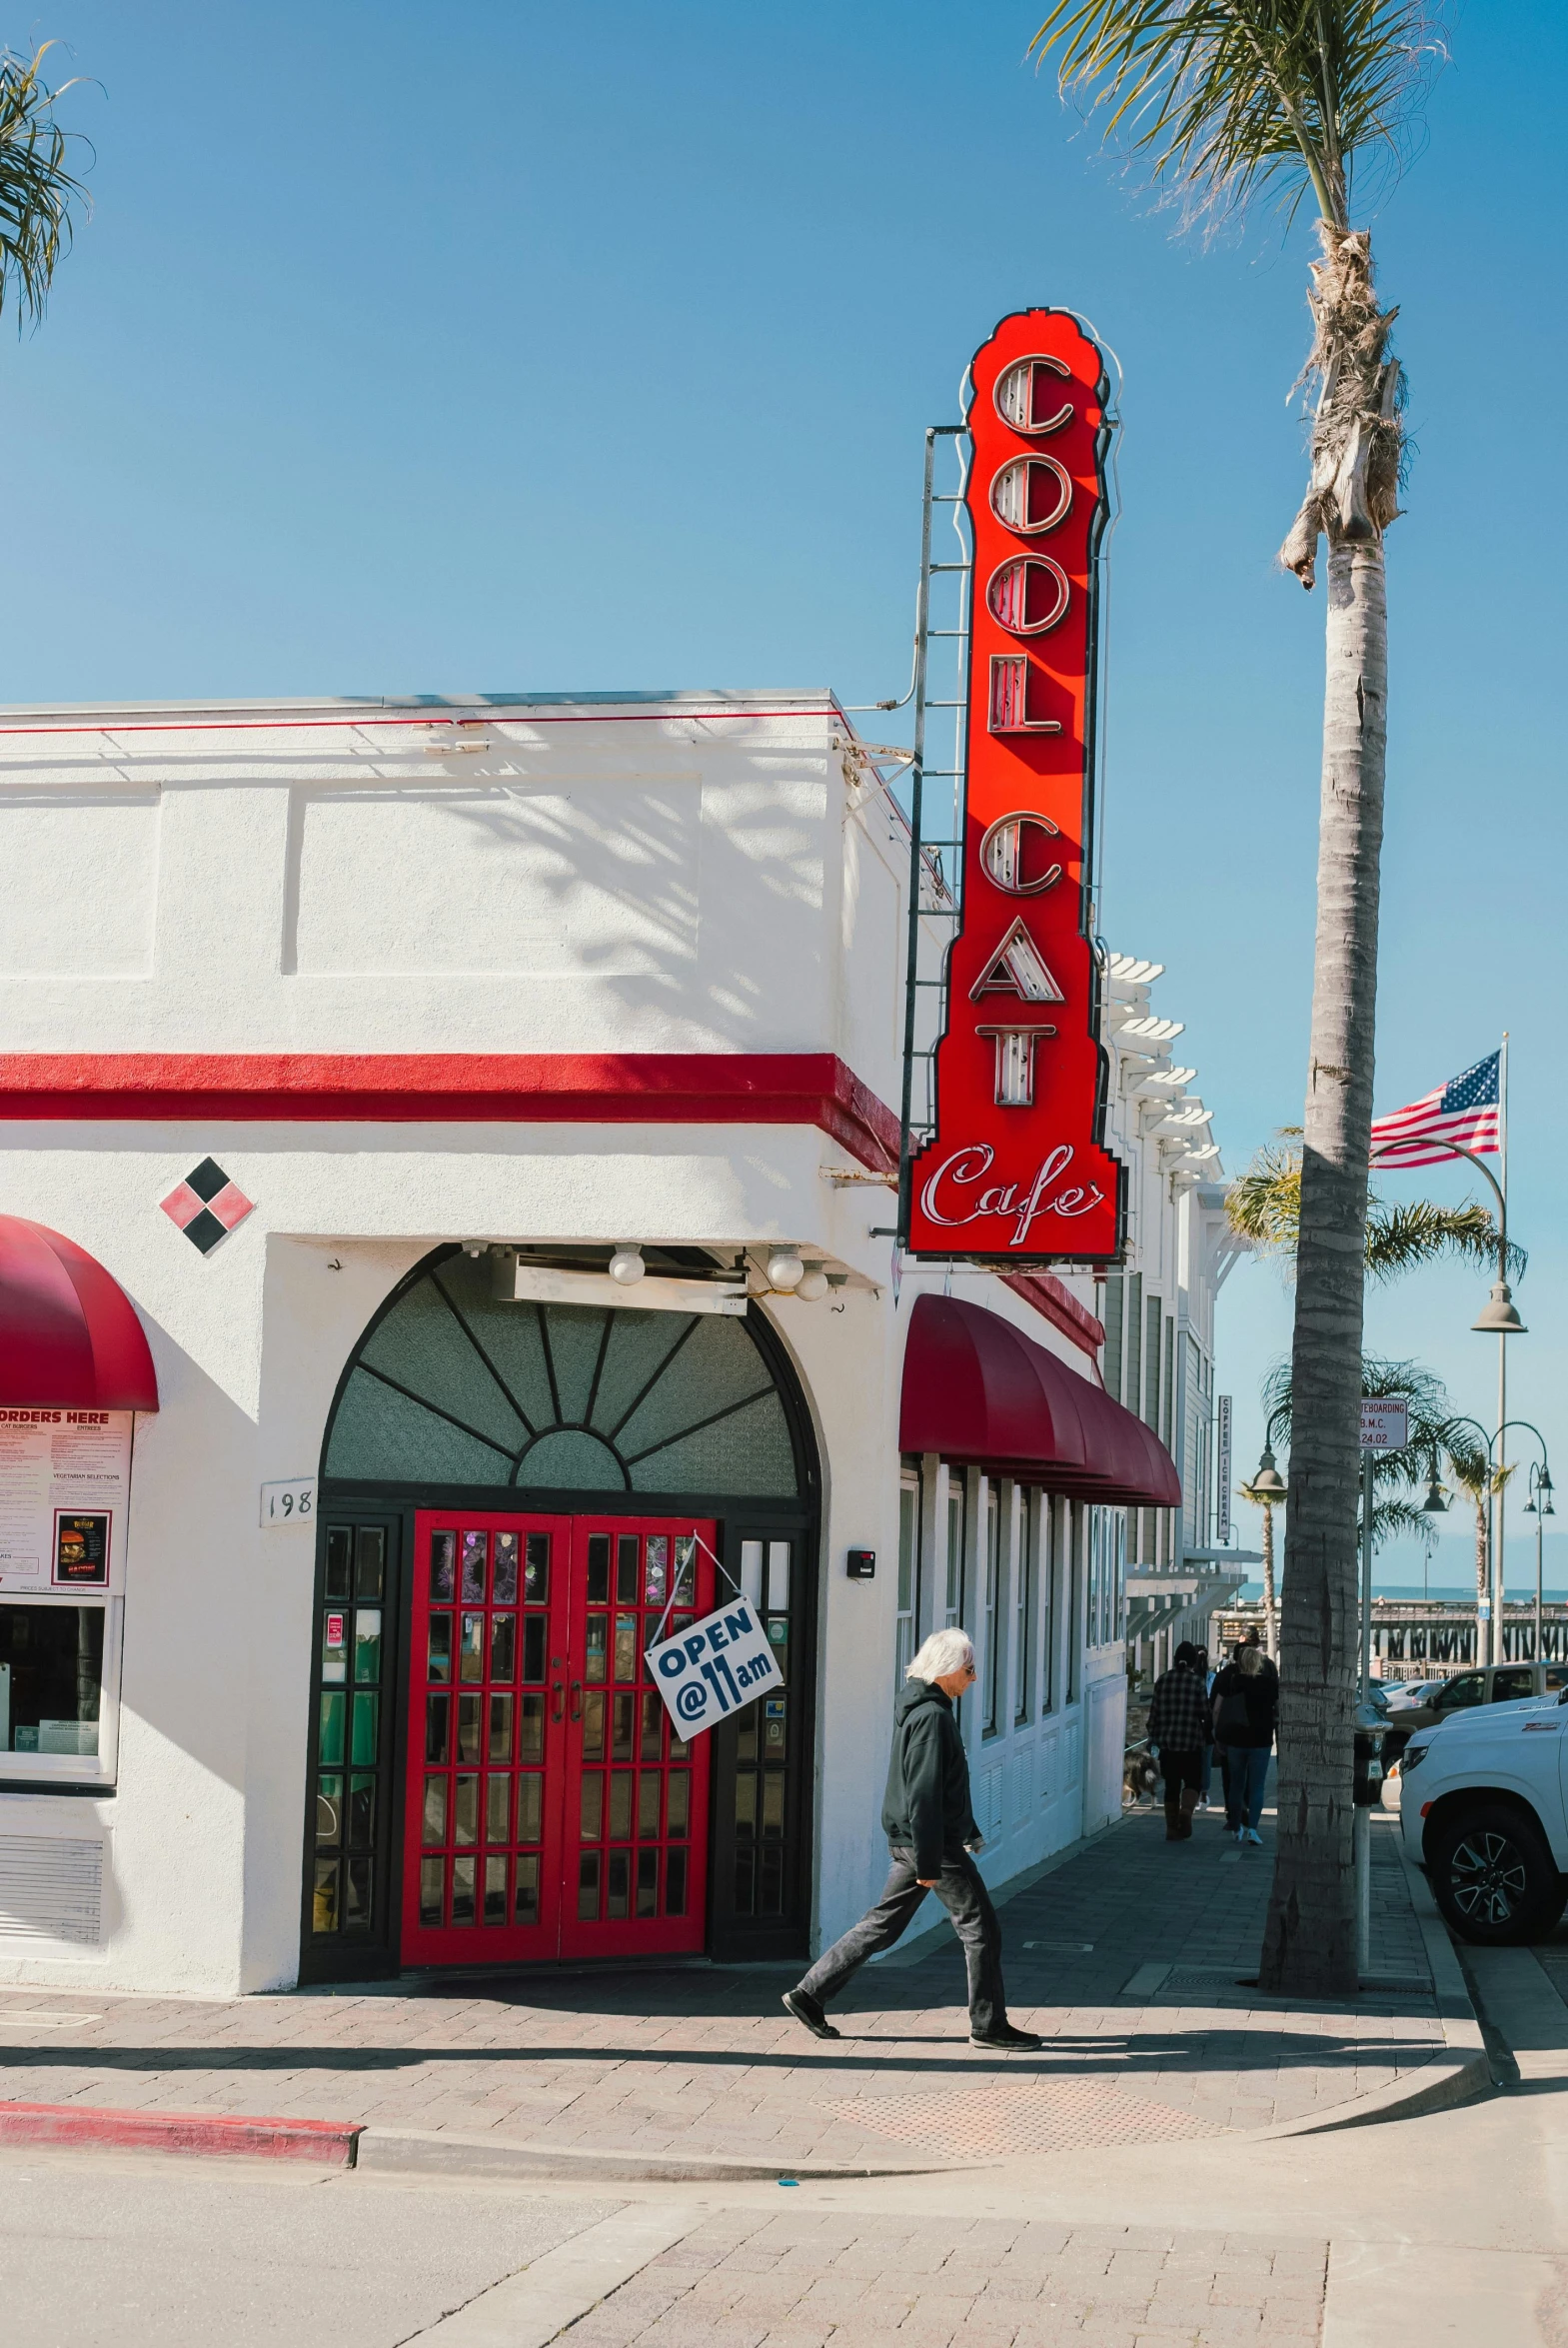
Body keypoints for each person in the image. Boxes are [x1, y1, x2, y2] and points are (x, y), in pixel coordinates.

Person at [781, 1627, 1041, 2050]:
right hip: (930, 1845)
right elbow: (922, 1792)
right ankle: (988, 2026)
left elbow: (937, 1787)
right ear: (948, 1669)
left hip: (920, 1840)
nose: (973, 1679)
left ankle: (809, 1995)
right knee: (982, 1928)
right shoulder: (932, 1717)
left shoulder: (923, 1710)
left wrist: (966, 1827)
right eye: (969, 1670)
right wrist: (928, 1861)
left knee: (882, 1926)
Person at [1211, 1641, 1279, 1844]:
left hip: (1235, 1740)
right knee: (1257, 1786)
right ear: (1258, 1662)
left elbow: (1216, 1709)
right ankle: (1253, 1830)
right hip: (1261, 1740)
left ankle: (1236, 1827)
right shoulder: (1269, 1683)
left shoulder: (1231, 1681)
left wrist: (1217, 1734)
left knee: (1236, 1785)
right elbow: (1279, 1710)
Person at [1145, 1640, 1210, 1840]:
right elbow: (1205, 1714)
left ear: (1174, 1660)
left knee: (1171, 1785)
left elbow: (1154, 1713)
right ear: (1194, 1662)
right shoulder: (1198, 1682)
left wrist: (1152, 1736)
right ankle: (1186, 1812)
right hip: (1191, 1742)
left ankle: (1172, 1828)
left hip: (1168, 1743)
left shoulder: (1163, 1680)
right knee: (1193, 1782)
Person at [1194, 1645, 1215, 1809]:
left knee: (1191, 1761)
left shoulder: (1189, 1678)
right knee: (1206, 1761)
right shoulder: (1212, 1678)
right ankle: (1203, 1795)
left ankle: (1190, 1794)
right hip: (1207, 1725)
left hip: (1189, 1726)